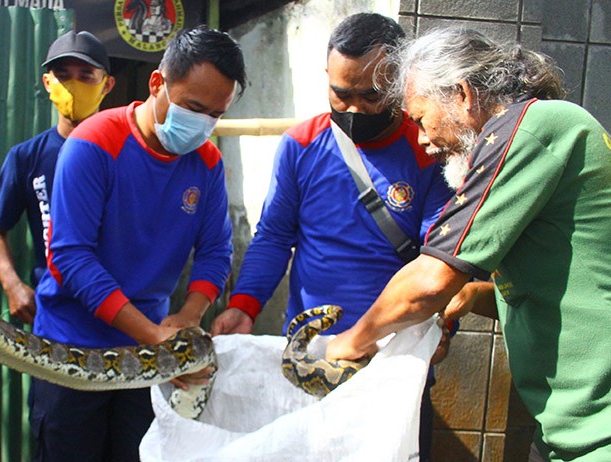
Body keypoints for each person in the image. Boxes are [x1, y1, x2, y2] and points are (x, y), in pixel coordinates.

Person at [325, 28, 611, 462]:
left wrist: (350, 341)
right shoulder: (534, 138)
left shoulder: (534, 126)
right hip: (568, 428)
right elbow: (563, 280)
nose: (422, 140)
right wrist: (474, 295)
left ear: (462, 94)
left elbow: (430, 279)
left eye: (420, 119)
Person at [210, 13, 454, 460]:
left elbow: (441, 261)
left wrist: (446, 327)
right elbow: (272, 237)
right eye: (341, 94)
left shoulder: (428, 151)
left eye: (371, 96)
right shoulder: (301, 144)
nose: (354, 109)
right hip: (310, 357)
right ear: (326, 76)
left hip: (394, 359)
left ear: (400, 83)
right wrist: (243, 307)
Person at [28, 26, 246, 462]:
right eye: (193, 107)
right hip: (74, 354)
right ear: (157, 84)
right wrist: (158, 340)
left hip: (147, 356)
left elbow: (216, 250)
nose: (202, 124)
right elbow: (71, 258)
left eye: (215, 115)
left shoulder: (206, 162)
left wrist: (187, 316)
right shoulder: (93, 144)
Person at [0, 30, 115, 325]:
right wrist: (12, 285)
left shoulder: (128, 152)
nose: (73, 85)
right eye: (62, 75)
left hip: (122, 315)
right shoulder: (26, 157)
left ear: (107, 85)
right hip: (55, 314)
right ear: (47, 83)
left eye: (86, 75)